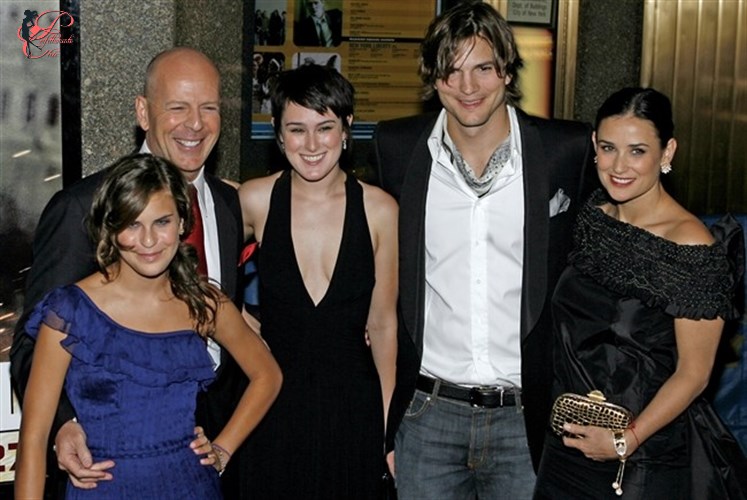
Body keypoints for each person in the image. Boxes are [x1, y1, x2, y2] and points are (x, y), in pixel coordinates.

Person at [373, 2, 596, 498]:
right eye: (450, 71)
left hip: (528, 419)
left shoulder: (565, 150)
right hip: (427, 415)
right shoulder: (397, 149)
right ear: (432, 79)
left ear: (507, 72)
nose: (467, 87)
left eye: (483, 69)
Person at [9, 47, 250, 497]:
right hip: (107, 451)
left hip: (204, 457)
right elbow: (32, 341)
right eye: (177, 107)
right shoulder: (82, 207)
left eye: (209, 107)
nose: (195, 124)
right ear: (143, 112)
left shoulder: (229, 203)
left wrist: (226, 443)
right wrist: (65, 422)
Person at [14, 154, 282, 499]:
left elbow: (267, 375)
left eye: (162, 221)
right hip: (102, 490)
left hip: (191, 487)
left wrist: (223, 448)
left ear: (182, 222)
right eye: (132, 224)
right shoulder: (69, 311)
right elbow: (33, 440)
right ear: (111, 229)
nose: (149, 240)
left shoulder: (203, 303)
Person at [533, 88, 746, 499]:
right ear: (594, 145)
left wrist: (624, 441)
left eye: (637, 151)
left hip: (642, 455)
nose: (619, 166)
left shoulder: (691, 247)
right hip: (565, 448)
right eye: (608, 148)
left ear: (667, 152)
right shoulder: (592, 218)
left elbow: (695, 374)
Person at [237, 64, 398, 499]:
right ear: (278, 133)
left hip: (354, 408)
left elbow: (383, 325)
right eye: (297, 130)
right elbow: (201, 268)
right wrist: (241, 326)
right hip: (271, 404)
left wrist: (387, 430)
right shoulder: (254, 200)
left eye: (324, 128)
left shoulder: (380, 210)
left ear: (346, 127)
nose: (311, 145)